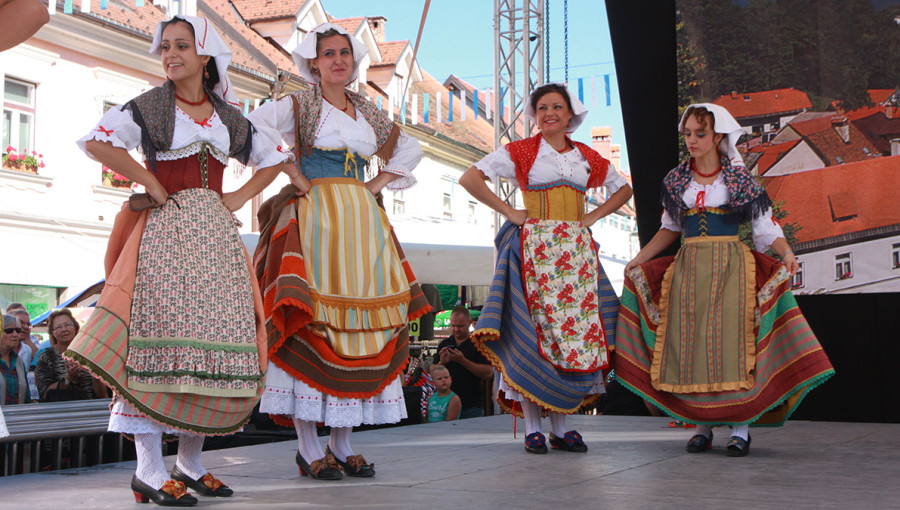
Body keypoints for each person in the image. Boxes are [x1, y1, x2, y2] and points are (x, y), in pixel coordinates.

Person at [64, 15, 289, 506]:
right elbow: (96, 142)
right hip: (165, 236)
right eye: (165, 46)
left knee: (214, 342)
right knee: (154, 343)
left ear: (206, 57)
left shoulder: (229, 116)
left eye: (182, 46)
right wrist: (149, 181)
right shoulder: (149, 107)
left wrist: (240, 196)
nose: (170, 55)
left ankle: (189, 463)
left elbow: (276, 156)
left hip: (216, 239)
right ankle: (147, 467)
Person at [250, 22, 430, 480]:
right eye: (328, 54)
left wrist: (377, 183)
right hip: (316, 218)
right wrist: (293, 173)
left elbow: (408, 148)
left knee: (364, 327)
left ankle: (342, 442)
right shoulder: (300, 103)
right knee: (317, 321)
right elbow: (254, 127)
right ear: (313, 62)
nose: (338, 61)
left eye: (345, 54)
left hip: (361, 220)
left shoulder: (368, 110)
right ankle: (309, 447)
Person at [615, 103, 835, 457]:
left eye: (699, 133)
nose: (691, 140)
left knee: (731, 345)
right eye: (687, 133)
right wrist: (638, 260)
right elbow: (670, 228)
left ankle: (740, 429)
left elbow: (764, 227)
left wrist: (787, 252)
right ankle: (702, 427)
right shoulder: (676, 179)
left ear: (718, 136)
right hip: (689, 271)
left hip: (732, 268)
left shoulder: (738, 179)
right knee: (692, 347)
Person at [460, 83, 633, 454]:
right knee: (534, 334)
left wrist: (592, 217)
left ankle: (562, 426)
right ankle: (533, 429)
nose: (549, 113)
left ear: (571, 114)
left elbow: (623, 190)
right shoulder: (522, 151)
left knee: (572, 337)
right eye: (541, 107)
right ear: (534, 115)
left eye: (556, 106)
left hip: (574, 256)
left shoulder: (586, 156)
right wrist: (509, 212)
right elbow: (470, 177)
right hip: (535, 250)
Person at [432, 306, 492, 418]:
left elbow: (488, 373)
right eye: (453, 326)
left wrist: (463, 361)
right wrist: (442, 362)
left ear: (469, 323)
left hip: (470, 406)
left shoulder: (478, 345)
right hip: (445, 405)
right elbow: (433, 371)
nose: (456, 329)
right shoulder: (445, 344)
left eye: (460, 326)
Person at [35, 308, 106, 401]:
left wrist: (94, 372)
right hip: (59, 412)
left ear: (76, 327)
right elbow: (44, 394)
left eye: (68, 325)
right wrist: (68, 379)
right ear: (52, 332)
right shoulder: (46, 357)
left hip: (89, 410)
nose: (64, 329)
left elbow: (102, 395)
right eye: (58, 327)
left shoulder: (89, 353)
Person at [0, 314, 29, 405]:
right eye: (9, 331)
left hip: (17, 417)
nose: (15, 334)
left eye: (17, 330)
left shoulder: (18, 360)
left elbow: (26, 396)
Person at [5, 304, 39, 369]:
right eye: (21, 322)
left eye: (28, 324)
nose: (26, 327)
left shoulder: (27, 350)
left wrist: (27, 339)